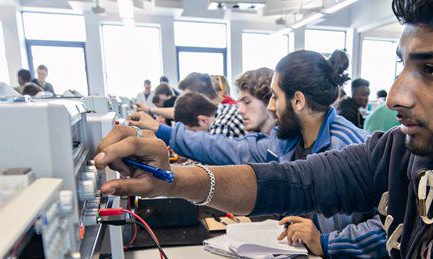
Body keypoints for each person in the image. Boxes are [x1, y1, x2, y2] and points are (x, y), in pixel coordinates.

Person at [94, 1, 433, 258]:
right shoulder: (417, 147)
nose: (397, 93)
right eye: (403, 62)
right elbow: (294, 182)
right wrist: (176, 180)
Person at [125, 50, 383, 258]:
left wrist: (327, 242)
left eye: (275, 96)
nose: (271, 106)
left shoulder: (350, 146)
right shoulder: (289, 139)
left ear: (298, 101)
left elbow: (389, 226)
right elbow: (230, 150)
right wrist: (163, 131)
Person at [234, 67, 276, 135]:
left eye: (246, 101)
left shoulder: (290, 142)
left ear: (268, 100)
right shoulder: (253, 141)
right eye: (238, 104)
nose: (239, 111)